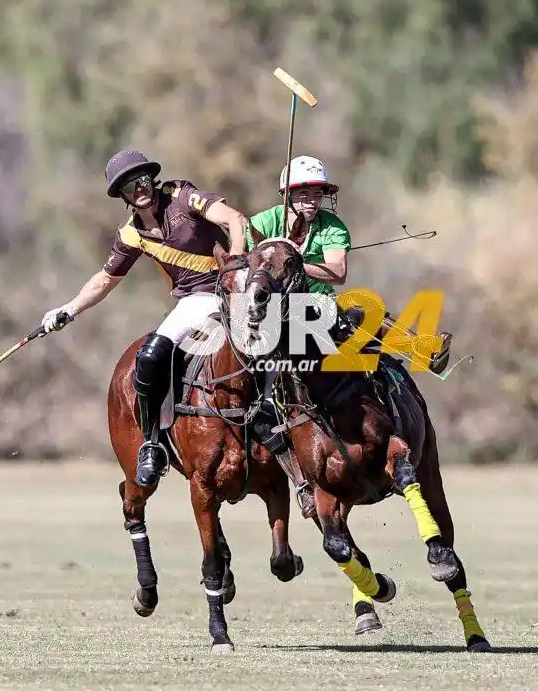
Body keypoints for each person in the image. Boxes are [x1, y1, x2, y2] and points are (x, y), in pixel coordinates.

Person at [246, 155, 454, 518]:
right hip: (275, 318)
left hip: (319, 307)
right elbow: (251, 266)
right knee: (258, 398)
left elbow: (338, 271)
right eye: (304, 193)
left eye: (318, 193)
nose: (312, 200)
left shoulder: (333, 227)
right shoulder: (264, 222)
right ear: (288, 195)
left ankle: (422, 349)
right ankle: (301, 482)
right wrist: (272, 259)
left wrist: (292, 260)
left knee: (360, 313)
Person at [39, 150, 250, 488]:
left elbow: (234, 220)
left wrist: (237, 265)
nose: (139, 189)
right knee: (149, 358)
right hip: (194, 302)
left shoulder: (183, 198)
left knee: (286, 349)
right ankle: (153, 445)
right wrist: (70, 308)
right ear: (122, 197)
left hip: (232, 289)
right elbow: (106, 279)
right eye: (128, 187)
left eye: (141, 180)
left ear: (152, 179)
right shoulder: (132, 235)